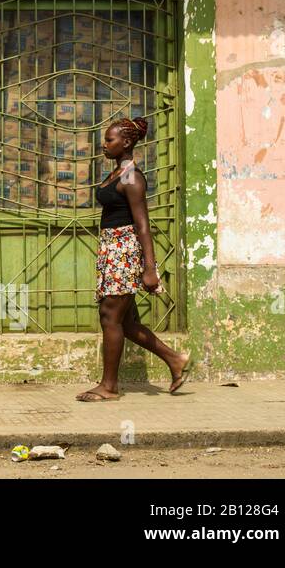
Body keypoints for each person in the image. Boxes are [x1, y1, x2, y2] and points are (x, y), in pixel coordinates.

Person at [76, 117, 192, 401]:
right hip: (111, 250)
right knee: (124, 322)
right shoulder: (118, 173)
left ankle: (109, 387)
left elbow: (142, 225)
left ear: (126, 143)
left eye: (110, 140)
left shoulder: (132, 178)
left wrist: (150, 270)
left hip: (124, 252)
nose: (104, 144)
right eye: (105, 139)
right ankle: (175, 361)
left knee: (109, 317)